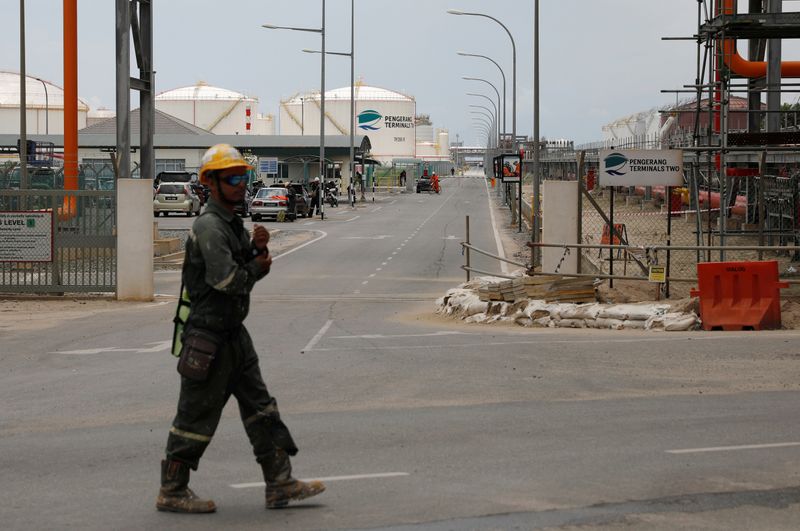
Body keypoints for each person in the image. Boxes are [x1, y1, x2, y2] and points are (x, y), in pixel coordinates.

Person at [157, 144, 325, 513]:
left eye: (243, 177)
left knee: (261, 409)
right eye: (232, 178)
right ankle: (172, 489)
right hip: (208, 337)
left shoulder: (231, 224)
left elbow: (241, 269)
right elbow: (227, 281)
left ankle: (279, 483)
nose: (239, 184)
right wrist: (255, 268)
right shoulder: (209, 227)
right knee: (195, 416)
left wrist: (255, 251)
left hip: (234, 336)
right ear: (211, 183)